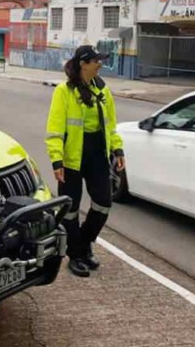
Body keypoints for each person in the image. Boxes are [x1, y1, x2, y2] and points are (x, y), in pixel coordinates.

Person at [45, 45, 125, 278]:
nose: (100, 64)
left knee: (103, 203)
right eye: (96, 61)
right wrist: (56, 160)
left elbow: (110, 125)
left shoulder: (102, 90)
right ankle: (76, 255)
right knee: (70, 209)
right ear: (83, 63)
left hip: (97, 154)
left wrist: (118, 149)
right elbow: (55, 128)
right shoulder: (65, 91)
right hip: (72, 157)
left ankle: (84, 243)